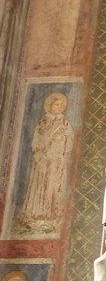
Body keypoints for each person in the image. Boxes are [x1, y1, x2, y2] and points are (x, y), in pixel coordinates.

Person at [20, 92, 74, 227]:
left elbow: (70, 137)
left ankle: (52, 214)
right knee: (41, 184)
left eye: (61, 105)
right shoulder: (43, 121)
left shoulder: (64, 121)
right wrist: (47, 141)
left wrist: (62, 139)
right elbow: (37, 138)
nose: (59, 107)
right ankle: (38, 213)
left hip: (57, 159)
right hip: (44, 159)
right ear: (50, 106)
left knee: (55, 185)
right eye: (57, 105)